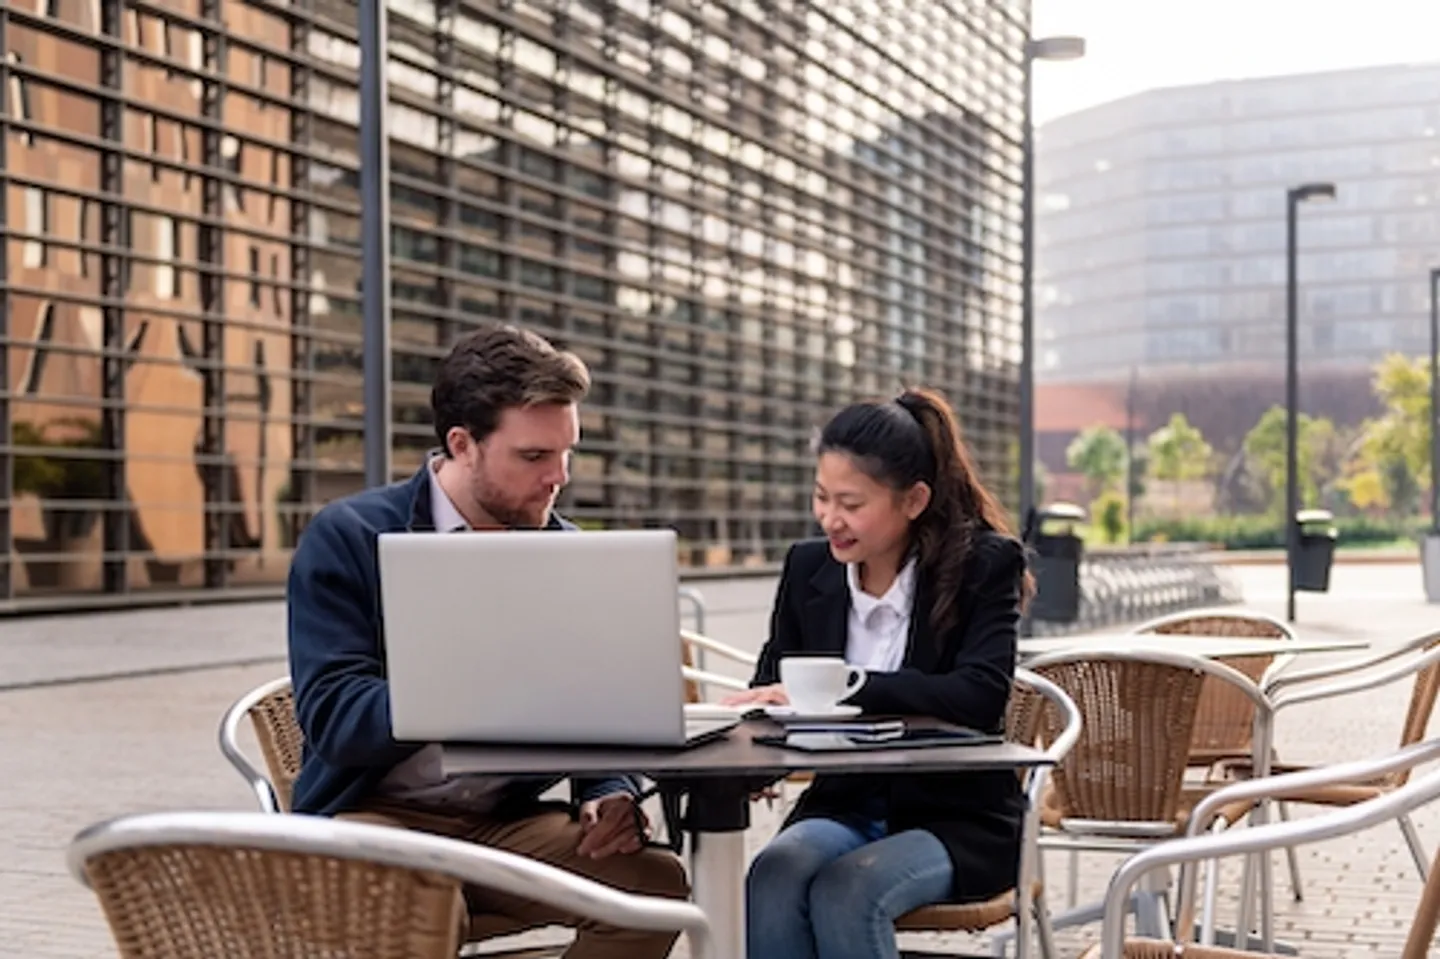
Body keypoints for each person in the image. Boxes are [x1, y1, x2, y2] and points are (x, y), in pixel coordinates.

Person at [286, 323, 688, 959]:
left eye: (567, 452)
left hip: (503, 823)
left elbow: (601, 702)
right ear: (462, 444)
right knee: (422, 907)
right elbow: (336, 719)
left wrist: (608, 788)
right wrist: (472, 680)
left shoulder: (567, 553)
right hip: (375, 815)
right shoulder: (352, 537)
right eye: (534, 456)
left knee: (656, 888)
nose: (558, 477)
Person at [723, 387, 1031, 959]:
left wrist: (850, 687)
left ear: (914, 500)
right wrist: (756, 733)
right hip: (844, 805)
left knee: (848, 891)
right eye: (821, 497)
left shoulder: (983, 565)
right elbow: (775, 684)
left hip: (958, 818)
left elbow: (981, 694)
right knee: (773, 876)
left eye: (851, 503)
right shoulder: (808, 568)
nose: (829, 519)